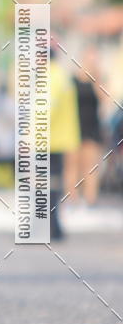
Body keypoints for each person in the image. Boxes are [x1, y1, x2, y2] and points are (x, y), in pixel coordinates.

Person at [49, 40, 81, 240]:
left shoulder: (50, 77)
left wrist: (28, 136)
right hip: (61, 139)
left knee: (46, 185)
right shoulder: (61, 75)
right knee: (54, 184)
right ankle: (55, 227)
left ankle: (50, 227)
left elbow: (47, 109)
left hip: (48, 140)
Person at [68, 46, 103, 207]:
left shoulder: (98, 80)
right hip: (75, 125)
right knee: (73, 164)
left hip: (92, 126)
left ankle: (90, 200)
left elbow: (105, 100)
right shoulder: (73, 80)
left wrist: (96, 79)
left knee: (90, 166)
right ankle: (72, 199)